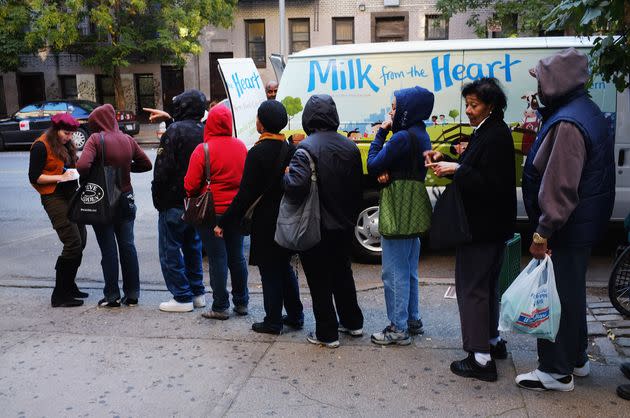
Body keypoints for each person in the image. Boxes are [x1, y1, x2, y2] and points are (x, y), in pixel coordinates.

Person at [517, 48, 614, 391]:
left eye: (541, 81)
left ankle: (556, 371)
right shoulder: (584, 110)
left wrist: (542, 233)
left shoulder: (569, 122)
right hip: (581, 225)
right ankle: (577, 359)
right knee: (571, 293)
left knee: (556, 296)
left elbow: (560, 184)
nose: (538, 88)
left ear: (556, 83)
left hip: (566, 227)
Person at [426, 77, 516, 381]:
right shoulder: (491, 131)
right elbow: (476, 170)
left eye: (474, 105)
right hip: (488, 227)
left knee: (472, 289)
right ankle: (492, 342)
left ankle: (480, 359)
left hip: (481, 228)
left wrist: (458, 169)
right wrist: (449, 160)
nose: (468, 110)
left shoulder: (495, 136)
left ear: (490, 105)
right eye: (467, 104)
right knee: (486, 288)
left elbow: (491, 184)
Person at [214, 100, 303, 334]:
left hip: (265, 222)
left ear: (261, 123)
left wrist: (223, 222)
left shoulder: (257, 153)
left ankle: (273, 321)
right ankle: (295, 315)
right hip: (287, 218)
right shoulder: (290, 149)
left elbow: (244, 196)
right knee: (284, 267)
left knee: (269, 271)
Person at [283, 94, 364, 348]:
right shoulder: (350, 147)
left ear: (308, 117)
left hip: (316, 224)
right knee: (342, 273)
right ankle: (353, 322)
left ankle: (327, 333)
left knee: (319, 279)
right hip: (344, 223)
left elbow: (295, 187)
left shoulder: (305, 148)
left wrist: (283, 177)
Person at [366, 86, 434, 345]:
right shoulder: (420, 133)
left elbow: (373, 163)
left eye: (395, 107)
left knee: (393, 271)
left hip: (398, 203)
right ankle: (412, 320)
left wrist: (381, 132)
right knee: (408, 268)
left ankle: (397, 328)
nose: (391, 111)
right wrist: (388, 171)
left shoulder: (401, 137)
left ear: (408, 109)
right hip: (413, 202)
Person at [77, 104, 152, 307]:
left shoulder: (95, 139)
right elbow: (146, 164)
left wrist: (97, 173)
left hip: (103, 201)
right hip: (126, 198)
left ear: (96, 123)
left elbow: (82, 166)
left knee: (108, 250)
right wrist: (125, 169)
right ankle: (133, 294)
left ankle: (112, 296)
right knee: (128, 246)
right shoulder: (128, 139)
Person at [184, 104, 249, 320]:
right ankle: (242, 302)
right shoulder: (240, 147)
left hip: (211, 214)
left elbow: (191, 185)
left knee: (217, 258)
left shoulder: (203, 149)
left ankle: (220, 306)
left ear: (210, 123)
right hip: (236, 211)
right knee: (237, 257)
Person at [152, 90, 208, 313]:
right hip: (195, 201)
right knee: (193, 246)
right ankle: (197, 293)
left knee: (170, 249)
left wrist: (158, 197)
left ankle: (181, 296)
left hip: (173, 200)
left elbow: (162, 168)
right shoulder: (203, 130)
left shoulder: (174, 131)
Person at [28, 113, 88, 307]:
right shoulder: (41, 146)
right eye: (66, 133)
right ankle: (60, 294)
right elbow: (35, 177)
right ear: (55, 130)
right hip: (53, 196)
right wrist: (59, 178)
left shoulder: (67, 144)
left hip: (71, 194)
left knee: (82, 240)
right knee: (72, 242)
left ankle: (69, 285)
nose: (69, 137)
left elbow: (72, 166)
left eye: (71, 134)